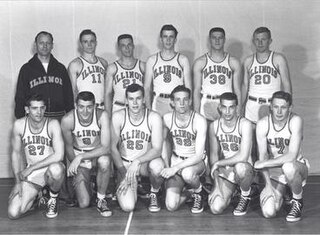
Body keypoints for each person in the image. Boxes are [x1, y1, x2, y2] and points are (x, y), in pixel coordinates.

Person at [8, 94, 65, 219]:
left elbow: (59, 155)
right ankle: (39, 195)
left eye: (42, 108)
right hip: (33, 173)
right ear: (27, 109)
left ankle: (53, 198)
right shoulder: (19, 125)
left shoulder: (52, 124)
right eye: (34, 108)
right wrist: (17, 182)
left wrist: (32, 168)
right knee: (13, 212)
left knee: (56, 169)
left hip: (50, 168)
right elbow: (16, 154)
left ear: (45, 108)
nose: (39, 112)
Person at [255, 91, 309, 222]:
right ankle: (285, 192)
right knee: (269, 212)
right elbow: (262, 155)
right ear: (271, 107)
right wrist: (268, 185)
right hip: (275, 172)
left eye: (283, 107)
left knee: (288, 167)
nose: (279, 112)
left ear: (290, 108)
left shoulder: (295, 120)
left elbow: (291, 156)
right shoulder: (263, 124)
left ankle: (297, 201)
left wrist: (264, 164)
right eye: (276, 107)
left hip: (296, 166)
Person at [111, 84, 164, 212]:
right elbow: (112, 148)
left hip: (143, 164)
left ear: (144, 99)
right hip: (125, 165)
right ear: (126, 100)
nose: (134, 103)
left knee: (157, 167)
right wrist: (125, 174)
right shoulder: (118, 116)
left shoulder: (154, 117)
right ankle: (132, 183)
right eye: (131, 99)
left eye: (138, 98)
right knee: (128, 207)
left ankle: (154, 192)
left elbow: (157, 149)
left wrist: (137, 161)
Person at [61, 91, 112, 217]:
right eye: (81, 107)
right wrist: (77, 165)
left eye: (89, 107)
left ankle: (101, 199)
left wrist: (81, 157)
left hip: (96, 154)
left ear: (95, 106)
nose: (85, 111)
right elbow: (68, 148)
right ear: (76, 106)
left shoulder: (102, 116)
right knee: (84, 203)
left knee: (105, 161)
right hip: (79, 158)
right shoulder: (68, 120)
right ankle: (90, 184)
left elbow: (106, 147)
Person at [161, 85, 207, 213]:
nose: (181, 103)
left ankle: (199, 192)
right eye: (177, 100)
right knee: (171, 206)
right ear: (172, 102)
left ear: (190, 101)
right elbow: (163, 142)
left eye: (185, 99)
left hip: (195, 163)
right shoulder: (167, 118)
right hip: (176, 160)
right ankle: (190, 193)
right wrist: (167, 166)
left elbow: (198, 155)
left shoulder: (199, 120)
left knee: (187, 173)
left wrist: (175, 168)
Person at [207, 92, 254, 216]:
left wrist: (219, 163)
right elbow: (214, 157)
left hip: (244, 168)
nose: (227, 111)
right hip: (227, 171)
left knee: (241, 168)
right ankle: (234, 191)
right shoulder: (214, 126)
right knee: (215, 208)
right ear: (220, 108)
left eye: (231, 107)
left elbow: (243, 156)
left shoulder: (245, 124)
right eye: (224, 107)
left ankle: (245, 195)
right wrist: (216, 185)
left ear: (236, 107)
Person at [14, 31, 74, 120]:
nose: (45, 46)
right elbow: (20, 97)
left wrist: (71, 117)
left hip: (59, 118)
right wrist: (20, 119)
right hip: (35, 119)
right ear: (35, 45)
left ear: (52, 45)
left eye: (48, 43)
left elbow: (68, 95)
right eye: (41, 43)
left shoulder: (61, 69)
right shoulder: (26, 69)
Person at [243, 27, 292, 124]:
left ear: (270, 41)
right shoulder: (248, 61)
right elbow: (244, 86)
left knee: (271, 137)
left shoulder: (278, 59)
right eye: (257, 40)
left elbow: (287, 84)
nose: (260, 43)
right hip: (252, 105)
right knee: (250, 136)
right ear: (253, 41)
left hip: (272, 105)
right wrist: (240, 106)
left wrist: (288, 106)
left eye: (263, 39)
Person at [193, 27, 242, 121]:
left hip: (226, 105)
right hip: (207, 102)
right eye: (214, 38)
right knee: (206, 134)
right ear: (209, 40)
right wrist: (196, 113)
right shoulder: (200, 62)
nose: (217, 40)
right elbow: (196, 91)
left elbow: (237, 90)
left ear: (224, 40)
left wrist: (238, 112)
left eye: (220, 38)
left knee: (226, 134)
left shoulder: (233, 62)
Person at [144, 24, 192, 116]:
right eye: (165, 37)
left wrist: (187, 107)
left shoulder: (182, 59)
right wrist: (148, 108)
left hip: (178, 101)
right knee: (158, 129)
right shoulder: (152, 60)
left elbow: (188, 87)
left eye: (171, 37)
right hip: (158, 100)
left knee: (177, 130)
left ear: (175, 39)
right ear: (161, 39)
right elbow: (147, 88)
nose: (168, 40)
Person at [105, 34, 145, 114]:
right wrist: (108, 115)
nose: (127, 48)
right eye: (123, 45)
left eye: (129, 45)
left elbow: (147, 91)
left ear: (133, 46)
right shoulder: (112, 68)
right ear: (119, 48)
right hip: (119, 107)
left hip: (137, 108)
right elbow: (108, 94)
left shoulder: (142, 66)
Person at [68, 29, 108, 109]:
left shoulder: (103, 62)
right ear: (81, 44)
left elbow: (108, 90)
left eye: (92, 41)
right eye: (85, 42)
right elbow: (73, 91)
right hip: (85, 109)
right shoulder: (75, 64)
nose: (89, 45)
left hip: (102, 107)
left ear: (96, 42)